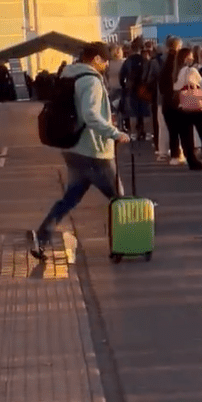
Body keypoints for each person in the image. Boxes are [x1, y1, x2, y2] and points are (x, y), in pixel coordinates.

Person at [30, 42, 130, 259]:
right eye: (104, 61)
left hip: (73, 149)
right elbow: (91, 115)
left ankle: (42, 237)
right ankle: (122, 245)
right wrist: (115, 134)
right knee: (119, 200)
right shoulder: (91, 81)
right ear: (96, 59)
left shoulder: (69, 75)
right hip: (95, 152)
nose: (105, 65)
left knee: (70, 199)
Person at [159, 37, 185, 165]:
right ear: (178, 47)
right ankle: (180, 154)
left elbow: (161, 85)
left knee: (172, 130)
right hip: (178, 100)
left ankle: (175, 155)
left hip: (166, 101)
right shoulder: (178, 63)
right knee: (183, 129)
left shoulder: (163, 62)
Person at [119, 38, 149, 140]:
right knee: (144, 111)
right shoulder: (144, 60)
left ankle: (133, 133)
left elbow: (121, 75)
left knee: (132, 112)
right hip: (143, 88)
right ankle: (145, 132)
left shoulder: (128, 61)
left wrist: (124, 85)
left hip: (131, 89)